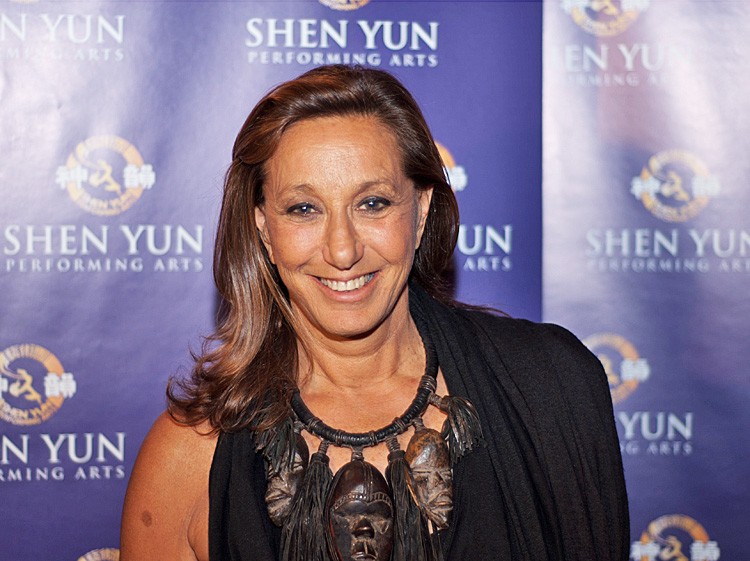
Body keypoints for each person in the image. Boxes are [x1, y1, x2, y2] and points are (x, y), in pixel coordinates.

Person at [120, 65, 629, 561]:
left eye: (373, 204)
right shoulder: (186, 458)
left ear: (422, 210)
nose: (342, 251)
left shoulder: (552, 384)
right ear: (263, 229)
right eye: (304, 209)